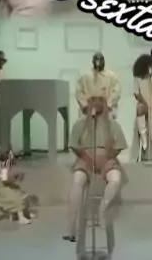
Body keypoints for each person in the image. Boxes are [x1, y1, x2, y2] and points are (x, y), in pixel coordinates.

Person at [63, 94, 127, 243]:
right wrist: (88, 159)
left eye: (100, 103)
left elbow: (118, 146)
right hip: (85, 158)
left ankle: (102, 210)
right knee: (77, 181)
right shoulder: (80, 124)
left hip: (106, 159)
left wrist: (105, 159)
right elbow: (74, 145)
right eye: (93, 103)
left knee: (115, 178)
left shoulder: (113, 125)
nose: (96, 106)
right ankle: (72, 228)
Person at [0, 149, 38, 223]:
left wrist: (19, 176)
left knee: (24, 195)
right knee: (17, 198)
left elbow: (13, 179)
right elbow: (5, 181)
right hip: (4, 190)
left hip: (11, 187)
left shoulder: (9, 168)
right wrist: (14, 178)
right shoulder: (4, 169)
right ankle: (21, 217)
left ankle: (26, 213)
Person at [76, 52, 121, 117]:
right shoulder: (85, 77)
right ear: (93, 61)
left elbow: (116, 92)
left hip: (106, 112)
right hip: (89, 112)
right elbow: (79, 93)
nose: (98, 62)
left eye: (100, 59)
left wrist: (109, 104)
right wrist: (85, 106)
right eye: (96, 59)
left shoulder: (112, 77)